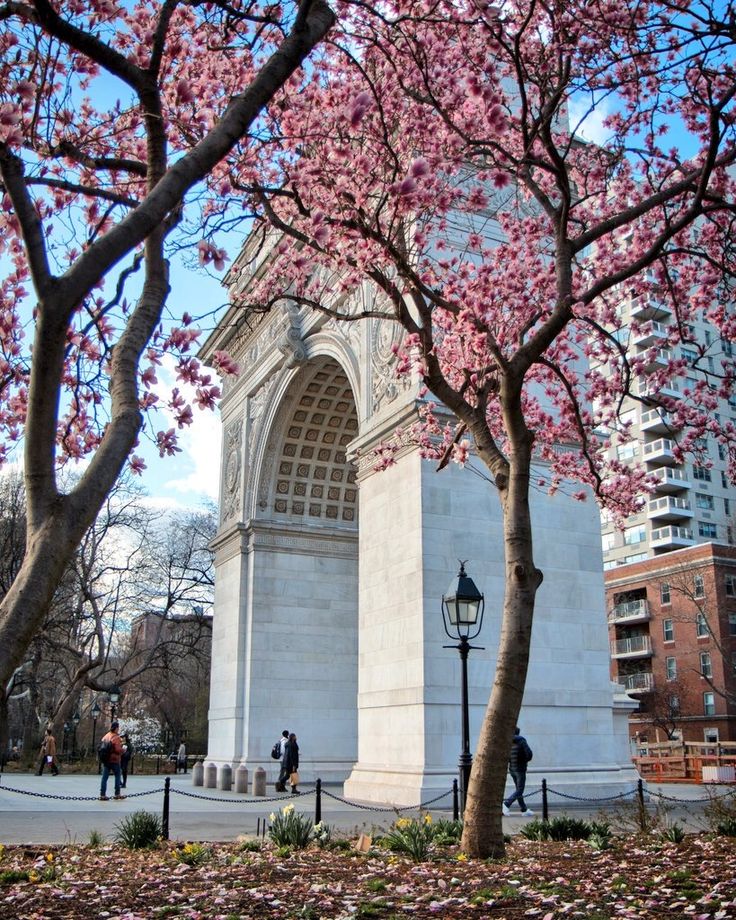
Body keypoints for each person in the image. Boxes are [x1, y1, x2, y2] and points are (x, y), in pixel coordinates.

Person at [502, 726, 534, 817]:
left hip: (512, 769)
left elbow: (507, 757)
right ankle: (506, 804)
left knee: (518, 790)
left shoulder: (508, 743)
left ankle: (524, 809)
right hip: (520, 769)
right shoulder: (522, 741)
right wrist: (524, 760)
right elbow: (529, 754)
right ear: (518, 732)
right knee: (520, 790)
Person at [99, 721, 126, 801]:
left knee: (104, 777)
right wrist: (123, 750)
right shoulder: (116, 737)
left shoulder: (106, 736)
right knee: (117, 775)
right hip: (114, 759)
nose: (118, 729)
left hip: (106, 759)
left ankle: (102, 794)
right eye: (118, 728)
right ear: (116, 728)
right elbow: (117, 749)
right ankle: (117, 793)